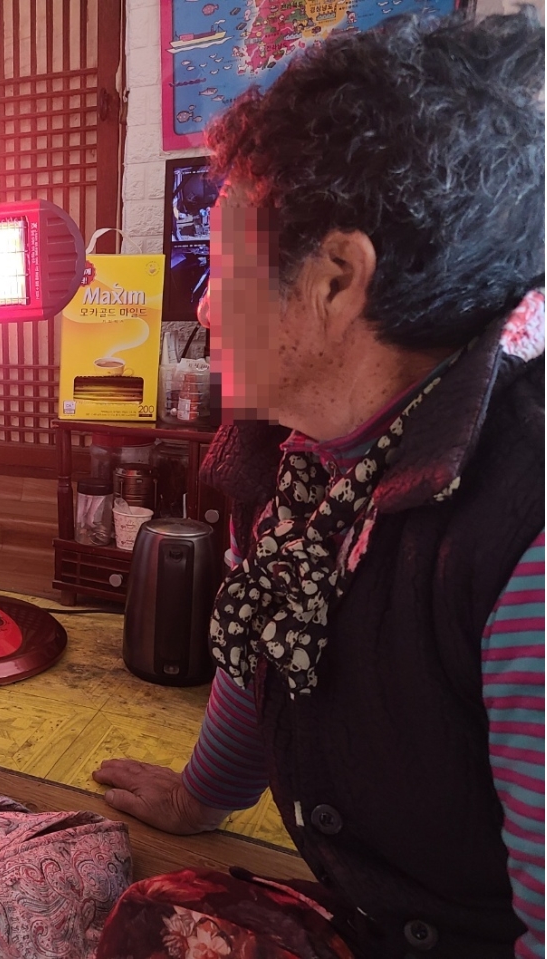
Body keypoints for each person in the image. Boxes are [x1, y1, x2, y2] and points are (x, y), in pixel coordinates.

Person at [92, 11, 543, 959]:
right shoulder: (291, 446)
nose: (204, 304)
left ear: (338, 279)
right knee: (142, 911)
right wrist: (197, 799)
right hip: (378, 900)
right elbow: (266, 637)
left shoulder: (523, 528)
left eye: (224, 270)